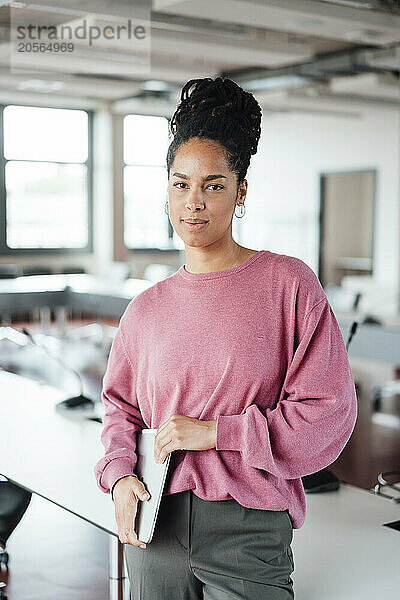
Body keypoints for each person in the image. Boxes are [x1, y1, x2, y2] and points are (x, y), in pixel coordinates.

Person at [94, 76, 358, 599]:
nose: (193, 202)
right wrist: (121, 476)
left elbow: (329, 411)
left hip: (249, 530)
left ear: (240, 192)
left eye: (213, 184)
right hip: (156, 526)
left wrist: (217, 432)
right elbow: (119, 411)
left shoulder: (288, 284)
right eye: (180, 183)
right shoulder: (145, 310)